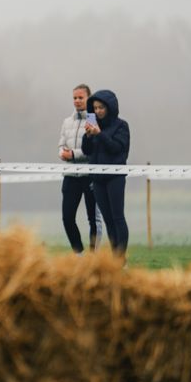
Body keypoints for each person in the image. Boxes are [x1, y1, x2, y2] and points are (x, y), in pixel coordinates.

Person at [81, 89, 130, 261]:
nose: (98, 111)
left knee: (118, 217)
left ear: (110, 107)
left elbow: (117, 148)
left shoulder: (122, 126)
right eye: (95, 108)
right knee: (108, 219)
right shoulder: (94, 125)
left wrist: (100, 135)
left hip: (115, 177)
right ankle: (114, 256)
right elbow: (86, 151)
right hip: (97, 179)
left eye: (101, 107)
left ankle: (121, 258)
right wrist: (87, 136)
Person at [58, 84, 102, 255]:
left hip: (90, 176)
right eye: (74, 98)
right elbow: (61, 145)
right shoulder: (66, 122)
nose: (77, 101)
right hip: (70, 176)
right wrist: (62, 153)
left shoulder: (93, 120)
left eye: (80, 98)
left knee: (94, 219)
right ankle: (80, 256)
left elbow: (94, 149)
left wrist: (73, 155)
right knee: (67, 218)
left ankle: (94, 256)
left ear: (88, 99)